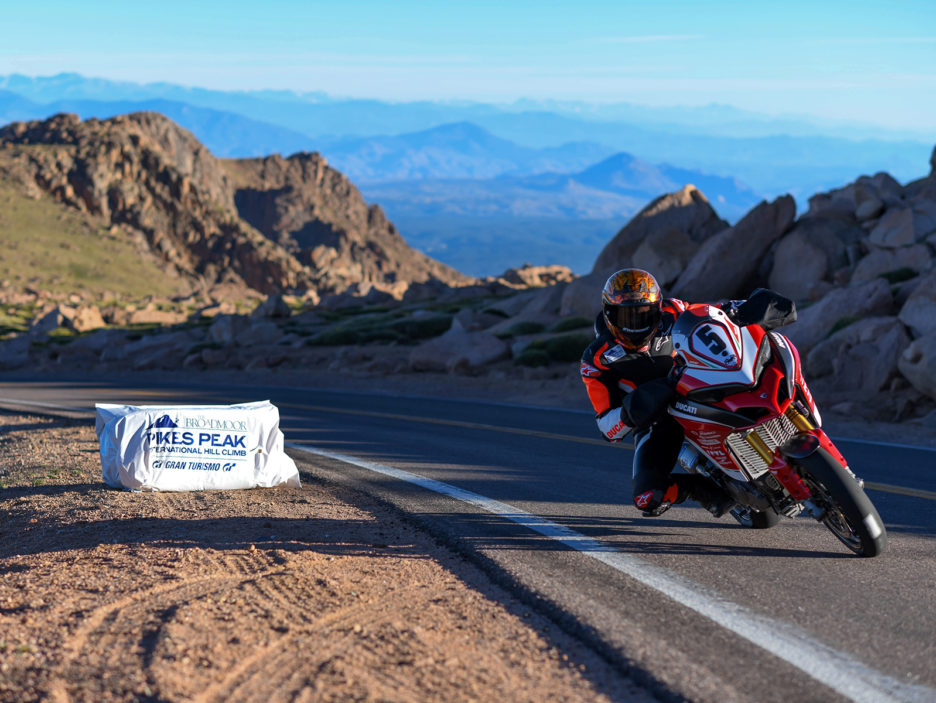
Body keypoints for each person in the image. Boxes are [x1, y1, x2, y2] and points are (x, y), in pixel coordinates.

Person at [580, 268, 796, 518]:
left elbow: (714, 315)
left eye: (644, 314)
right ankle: (700, 489)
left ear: (658, 308)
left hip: (701, 386)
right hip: (658, 419)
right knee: (646, 498)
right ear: (609, 314)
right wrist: (634, 409)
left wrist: (744, 309)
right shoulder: (597, 358)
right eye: (627, 316)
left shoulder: (674, 310)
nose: (636, 323)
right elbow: (607, 427)